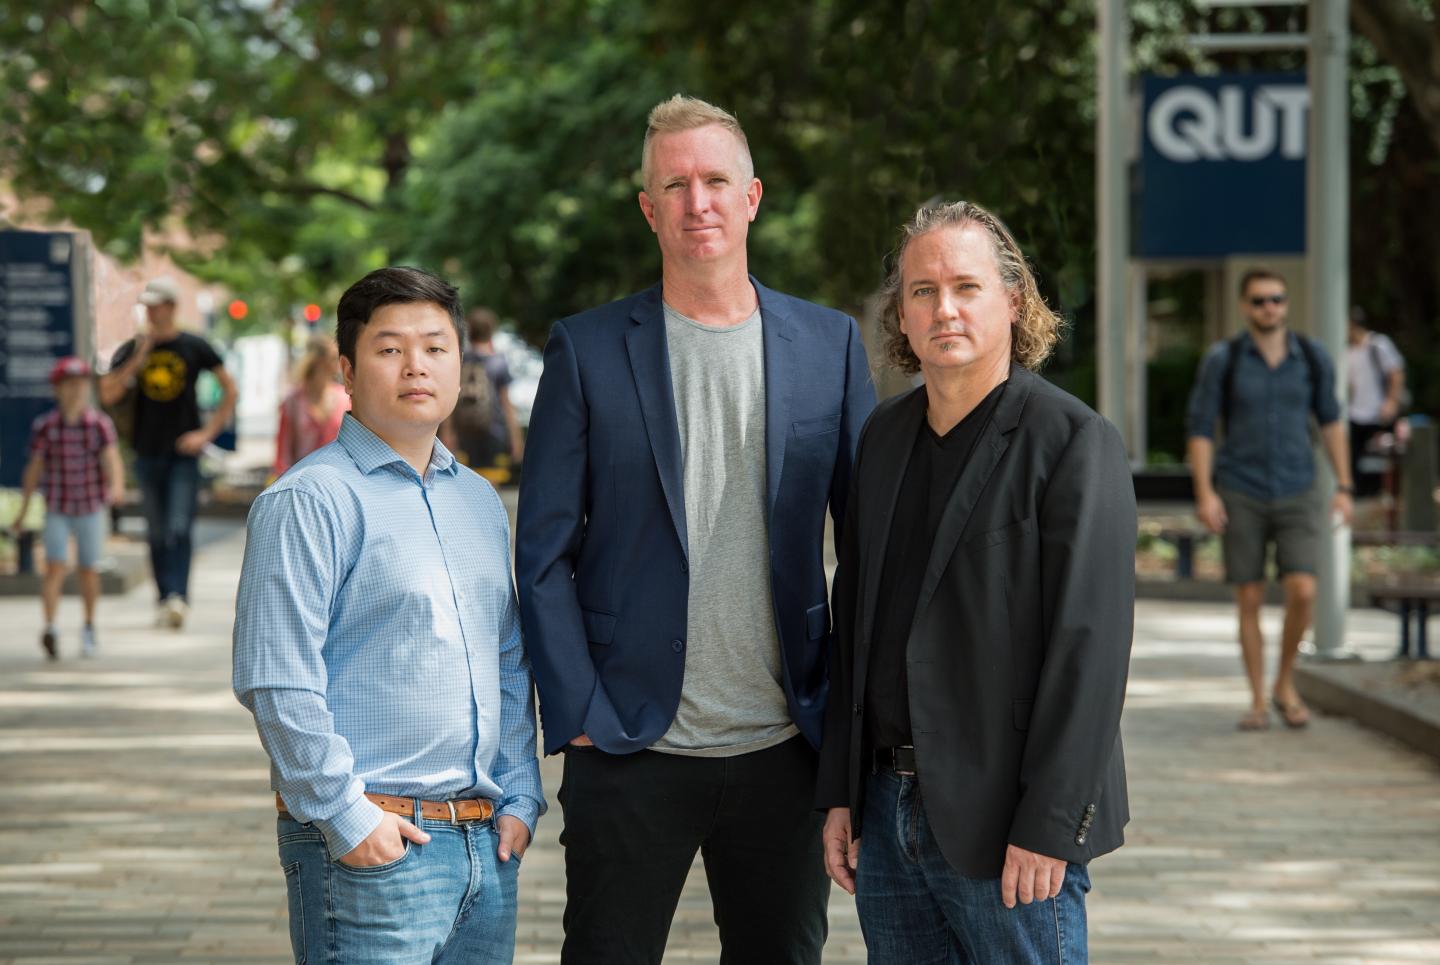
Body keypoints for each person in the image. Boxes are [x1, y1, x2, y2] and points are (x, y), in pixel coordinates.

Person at [516, 94, 875, 964]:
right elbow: (540, 555)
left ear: (752, 196)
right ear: (648, 209)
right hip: (631, 740)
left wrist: (850, 732)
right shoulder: (588, 348)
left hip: (787, 744)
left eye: (716, 180)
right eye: (673, 185)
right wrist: (580, 716)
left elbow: (869, 551)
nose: (696, 202)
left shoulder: (830, 345)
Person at [816, 201, 1136, 963]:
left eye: (966, 286)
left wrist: (1049, 826)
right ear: (901, 311)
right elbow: (854, 619)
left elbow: (1089, 653)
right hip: (886, 815)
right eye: (922, 290)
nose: (944, 307)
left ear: (1013, 300)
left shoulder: (1072, 442)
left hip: (1008, 826)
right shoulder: (884, 436)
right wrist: (841, 789)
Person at [233, 266, 544, 964]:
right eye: (389, 347)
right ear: (346, 366)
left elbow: (504, 657)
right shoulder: (309, 500)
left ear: (460, 362)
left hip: (484, 847)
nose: (416, 366)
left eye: (436, 346)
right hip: (371, 850)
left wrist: (520, 793)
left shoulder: (478, 501)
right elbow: (276, 678)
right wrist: (348, 819)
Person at [1186, 269, 1352, 731]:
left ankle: (1285, 683)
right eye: (1259, 301)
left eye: (1276, 299)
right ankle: (1258, 698)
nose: (1269, 308)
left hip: (1299, 486)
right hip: (1241, 489)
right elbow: (1201, 429)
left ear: (1286, 303)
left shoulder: (1311, 357)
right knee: (1250, 596)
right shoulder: (1225, 359)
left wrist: (1344, 485)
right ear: (1245, 306)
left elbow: (1332, 421)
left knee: (1304, 589)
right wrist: (1205, 492)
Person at [99, 277, 237, 629]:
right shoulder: (134, 349)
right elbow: (108, 393)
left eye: (157, 305)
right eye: (147, 306)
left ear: (172, 307)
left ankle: (178, 596)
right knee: (157, 531)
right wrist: (140, 356)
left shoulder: (193, 346)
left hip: (183, 454)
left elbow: (229, 388)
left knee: (178, 527)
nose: (151, 312)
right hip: (146, 452)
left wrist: (207, 433)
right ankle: (164, 598)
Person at [11, 357, 126, 660]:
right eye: (69, 385)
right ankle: (50, 626)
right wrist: (23, 510)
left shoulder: (98, 424)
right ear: (57, 389)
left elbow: (111, 458)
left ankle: (89, 626)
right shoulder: (46, 426)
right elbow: (34, 469)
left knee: (89, 568)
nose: (76, 391)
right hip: (58, 506)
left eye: (81, 384)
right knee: (55, 565)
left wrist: (116, 487)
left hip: (89, 505)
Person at [440, 307, 523, 480]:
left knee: (464, 480)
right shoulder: (498, 362)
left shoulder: (461, 360)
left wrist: (447, 432)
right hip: (494, 431)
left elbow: (451, 397)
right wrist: (516, 439)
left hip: (464, 432)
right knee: (490, 482)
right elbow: (507, 405)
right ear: (491, 331)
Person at [1346, 306, 1407, 497]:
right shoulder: (1347, 350)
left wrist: (1391, 402)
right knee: (1353, 458)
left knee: (1389, 458)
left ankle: (1391, 494)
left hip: (1378, 411)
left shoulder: (1377, 344)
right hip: (1355, 412)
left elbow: (1395, 372)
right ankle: (1358, 494)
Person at [272, 334, 349, 477]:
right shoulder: (293, 401)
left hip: (338, 479)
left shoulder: (344, 399)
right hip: (301, 480)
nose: (341, 361)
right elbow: (283, 450)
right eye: (334, 357)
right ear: (318, 361)